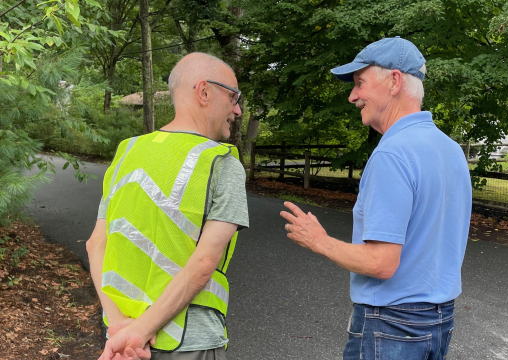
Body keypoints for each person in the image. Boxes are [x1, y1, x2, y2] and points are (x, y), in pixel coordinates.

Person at [280, 37, 472, 360]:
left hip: (392, 327)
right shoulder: (452, 151)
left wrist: (318, 240)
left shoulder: (392, 154)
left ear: (394, 81)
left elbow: (381, 263)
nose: (353, 96)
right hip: (440, 323)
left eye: (359, 83)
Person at [86, 52, 249, 360]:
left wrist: (122, 327)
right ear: (203, 92)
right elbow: (203, 264)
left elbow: (96, 244)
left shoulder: (126, 152)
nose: (237, 109)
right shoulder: (222, 163)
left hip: (125, 342)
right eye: (233, 96)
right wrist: (139, 332)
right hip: (189, 344)